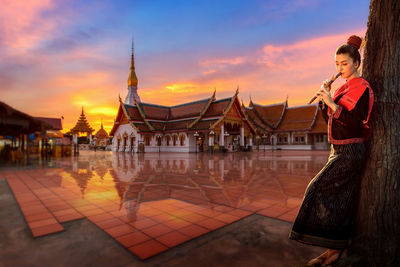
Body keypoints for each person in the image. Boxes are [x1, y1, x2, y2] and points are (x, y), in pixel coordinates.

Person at [289, 35, 374, 266]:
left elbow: (355, 121)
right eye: (337, 64)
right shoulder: (343, 88)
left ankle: (328, 243)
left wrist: (332, 102)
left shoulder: (362, 88)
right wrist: (325, 98)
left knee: (316, 188)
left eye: (344, 63)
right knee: (342, 200)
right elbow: (330, 117)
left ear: (356, 63)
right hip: (338, 150)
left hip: (351, 151)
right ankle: (333, 250)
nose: (340, 68)